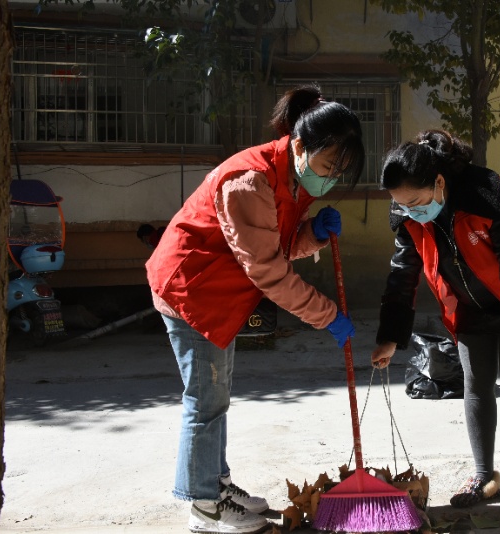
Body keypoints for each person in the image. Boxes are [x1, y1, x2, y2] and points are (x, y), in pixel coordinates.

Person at [146, 84, 365, 534]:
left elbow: (278, 244)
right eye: (328, 167)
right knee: (204, 401)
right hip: (192, 291)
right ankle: (204, 508)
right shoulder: (249, 180)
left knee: (217, 396)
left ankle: (216, 483)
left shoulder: (292, 175)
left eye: (339, 174)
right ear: (301, 145)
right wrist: (327, 316)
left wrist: (313, 234)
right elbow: (267, 271)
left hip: (223, 294)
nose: (330, 180)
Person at [370, 129, 500, 527]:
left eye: (414, 202)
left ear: (439, 182)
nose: (409, 211)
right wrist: (390, 337)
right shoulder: (407, 213)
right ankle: (483, 476)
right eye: (400, 205)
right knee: (476, 384)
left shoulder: (484, 194)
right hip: (468, 306)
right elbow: (403, 273)